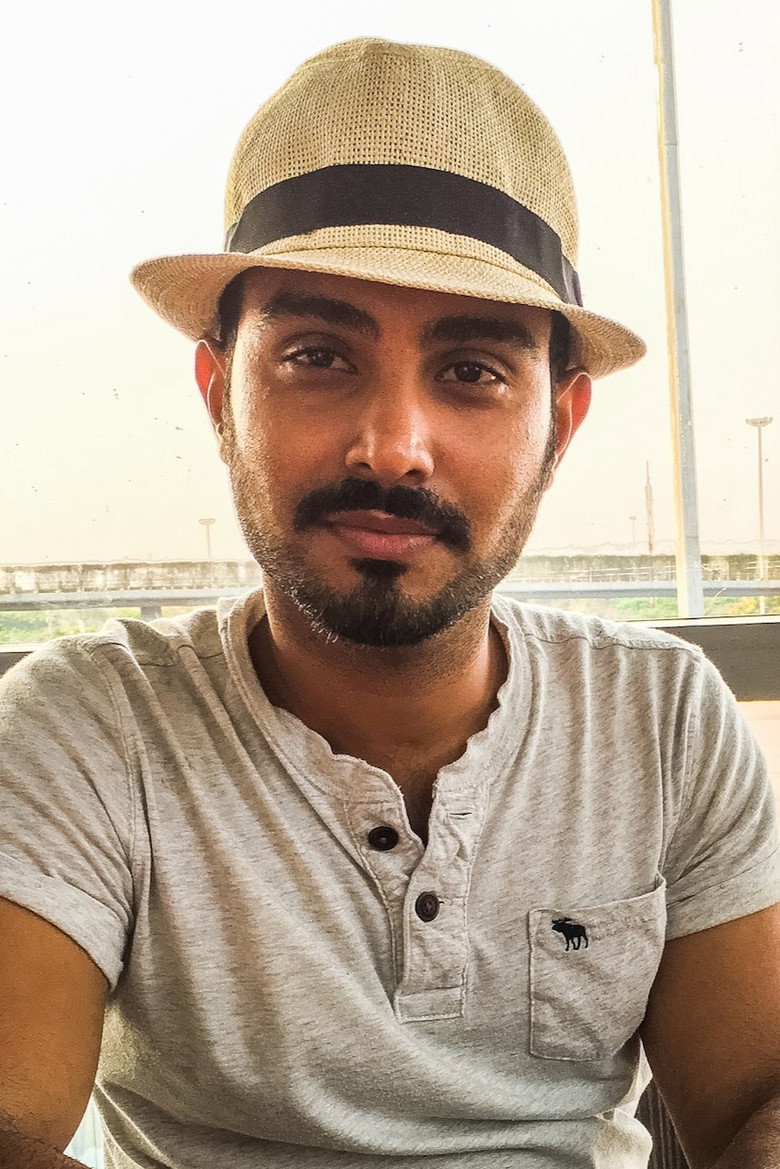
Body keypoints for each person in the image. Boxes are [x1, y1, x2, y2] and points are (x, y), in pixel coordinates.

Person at [0, 36, 778, 1169]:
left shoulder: (662, 717)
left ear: (559, 425)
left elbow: (760, 1096)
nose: (393, 446)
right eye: (319, 355)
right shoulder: (89, 725)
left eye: (471, 372)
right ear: (220, 395)